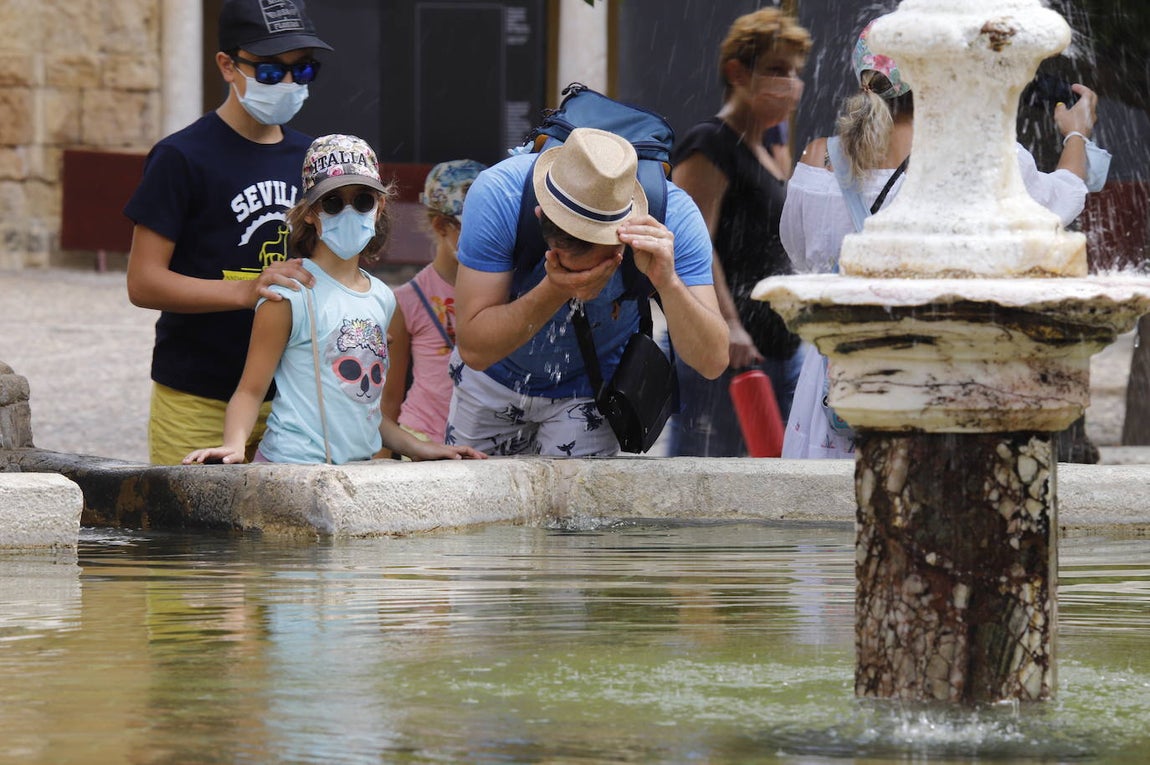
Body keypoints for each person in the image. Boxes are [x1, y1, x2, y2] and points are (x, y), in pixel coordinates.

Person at [781, 22, 1107, 459]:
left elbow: (802, 256)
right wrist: (1076, 133)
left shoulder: (820, 157)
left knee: (822, 502)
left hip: (837, 393)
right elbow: (1057, 203)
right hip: (939, 388)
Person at [183, 134, 487, 465]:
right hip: (291, 468)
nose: (348, 211)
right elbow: (250, 390)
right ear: (309, 212)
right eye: (332, 202)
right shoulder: (288, 293)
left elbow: (366, 411)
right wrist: (234, 445)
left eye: (363, 200)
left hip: (355, 473)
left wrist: (420, 447)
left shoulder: (383, 298)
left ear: (380, 206)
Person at [125, 0, 330, 465]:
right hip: (198, 396)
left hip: (295, 397)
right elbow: (143, 283)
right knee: (189, 516)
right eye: (271, 71)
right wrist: (246, 291)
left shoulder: (312, 158)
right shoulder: (181, 157)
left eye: (303, 70)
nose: (289, 83)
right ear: (227, 66)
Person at [446, 127, 729, 456]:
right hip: (493, 379)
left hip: (593, 389)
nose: (584, 277)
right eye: (565, 263)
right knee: (475, 489)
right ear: (541, 214)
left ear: (623, 237)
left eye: (601, 264)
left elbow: (712, 361)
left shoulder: (674, 218)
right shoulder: (500, 195)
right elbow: (475, 350)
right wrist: (555, 289)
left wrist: (668, 282)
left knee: (577, 492)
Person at [668, 8, 812, 457]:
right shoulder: (709, 144)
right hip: (727, 355)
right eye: (777, 70)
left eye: (795, 73)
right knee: (705, 478)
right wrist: (729, 325)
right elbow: (695, 244)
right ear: (737, 73)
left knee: (777, 479)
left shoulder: (768, 148)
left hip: (776, 347)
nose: (790, 84)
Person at [380, 160, 487, 455]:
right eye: (477, 225)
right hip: (422, 439)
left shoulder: (505, 288)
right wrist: (380, 463)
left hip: (485, 440)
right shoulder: (408, 299)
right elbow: (389, 399)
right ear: (441, 225)